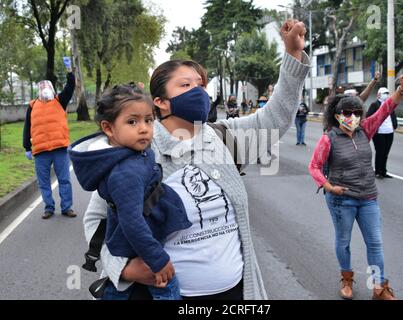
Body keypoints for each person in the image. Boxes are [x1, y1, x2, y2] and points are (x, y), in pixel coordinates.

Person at [83, 19, 311, 300]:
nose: (198, 91)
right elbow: (97, 221)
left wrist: (293, 55)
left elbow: (277, 117)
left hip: (237, 293)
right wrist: (124, 269)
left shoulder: (224, 138)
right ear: (160, 101)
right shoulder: (135, 153)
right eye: (186, 84)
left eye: (200, 85)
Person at [69, 83, 192, 300]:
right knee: (166, 284)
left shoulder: (133, 152)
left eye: (148, 120)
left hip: (135, 242)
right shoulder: (126, 172)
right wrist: (157, 258)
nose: (144, 128)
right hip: (137, 247)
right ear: (108, 128)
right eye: (132, 121)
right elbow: (131, 221)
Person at [309, 74, 403, 300]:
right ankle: (346, 278)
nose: (352, 117)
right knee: (343, 241)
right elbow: (315, 166)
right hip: (340, 199)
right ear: (337, 115)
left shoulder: (366, 129)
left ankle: (378, 287)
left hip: (368, 198)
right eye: (347, 113)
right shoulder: (329, 138)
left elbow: (385, 109)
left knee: (375, 242)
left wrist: (401, 89)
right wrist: (328, 186)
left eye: (356, 113)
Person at [23, 67, 77, 219]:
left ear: (52, 89)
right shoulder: (32, 106)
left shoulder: (60, 101)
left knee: (64, 179)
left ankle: (67, 207)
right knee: (43, 182)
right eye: (42, 87)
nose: (45, 89)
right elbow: (27, 127)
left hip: (60, 148)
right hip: (40, 150)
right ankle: (49, 208)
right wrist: (27, 146)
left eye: (47, 87)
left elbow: (70, 85)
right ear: (38, 91)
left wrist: (69, 72)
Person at [367, 87, 398, 179]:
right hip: (379, 132)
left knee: (385, 153)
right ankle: (378, 172)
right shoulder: (374, 104)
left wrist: (394, 125)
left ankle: (384, 171)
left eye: (388, 93)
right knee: (380, 152)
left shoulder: (390, 104)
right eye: (385, 93)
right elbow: (369, 117)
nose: (387, 95)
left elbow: (393, 115)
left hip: (389, 131)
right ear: (379, 95)